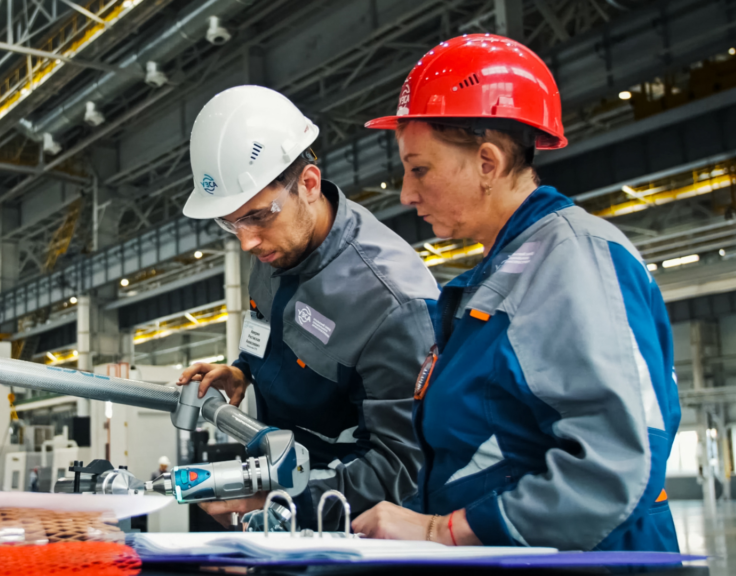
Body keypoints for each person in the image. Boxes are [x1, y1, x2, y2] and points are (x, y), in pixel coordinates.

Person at [351, 34, 680, 552]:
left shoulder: (573, 258)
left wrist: (444, 531)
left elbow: (618, 467)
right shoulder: (498, 277)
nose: (407, 193)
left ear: (488, 162)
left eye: (420, 169)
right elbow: (489, 455)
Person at [176, 85, 440, 530]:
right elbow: (269, 332)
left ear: (309, 184)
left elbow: (404, 469)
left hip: (344, 521)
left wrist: (283, 507)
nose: (246, 241)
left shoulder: (392, 302)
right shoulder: (278, 249)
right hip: (282, 484)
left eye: (258, 216)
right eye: (230, 223)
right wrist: (243, 371)